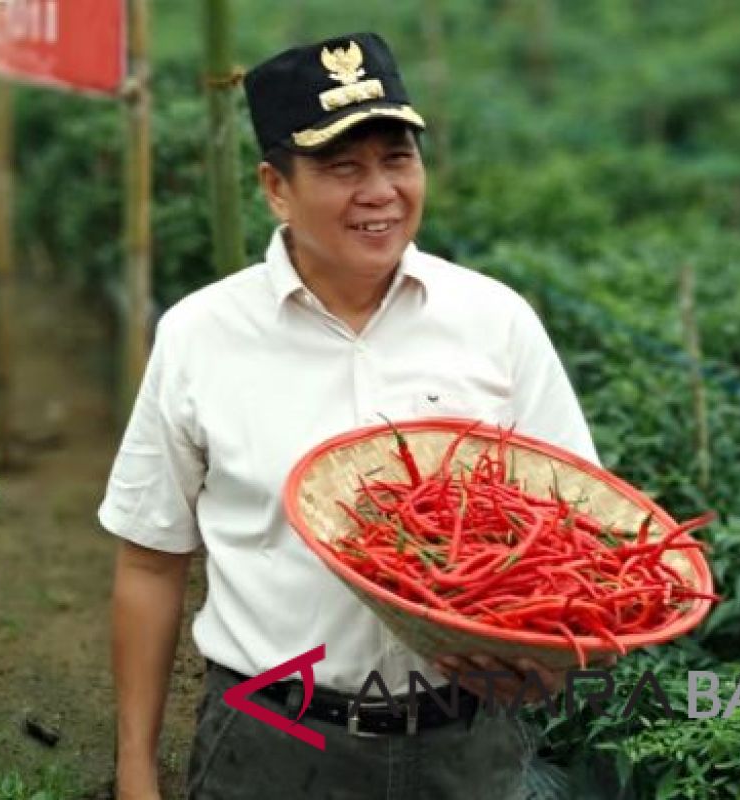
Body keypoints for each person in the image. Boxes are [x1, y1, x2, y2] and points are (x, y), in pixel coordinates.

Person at [101, 31, 601, 800]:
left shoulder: (493, 321)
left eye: (398, 159)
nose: (380, 192)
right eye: (343, 168)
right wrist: (135, 768)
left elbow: (579, 527)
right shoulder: (201, 336)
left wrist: (540, 652)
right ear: (276, 187)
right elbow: (149, 559)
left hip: (466, 746)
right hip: (274, 742)